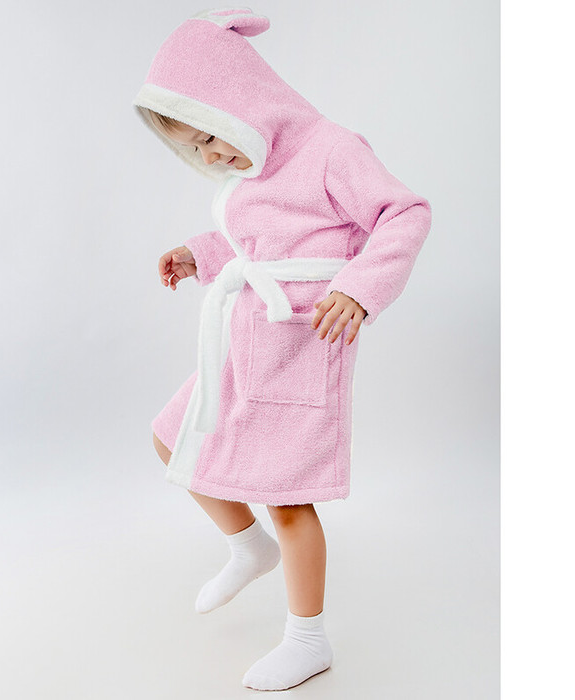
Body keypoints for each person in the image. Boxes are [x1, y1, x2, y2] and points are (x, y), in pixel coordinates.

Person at [133, 7, 432, 692]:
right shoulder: (254, 171)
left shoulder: (331, 149)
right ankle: (248, 548)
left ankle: (307, 639)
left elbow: (404, 213)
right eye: (196, 150)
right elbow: (262, 244)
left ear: (245, 101)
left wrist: (359, 289)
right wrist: (202, 253)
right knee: (172, 438)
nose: (212, 157)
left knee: (289, 499)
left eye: (212, 136)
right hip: (244, 338)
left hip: (303, 341)